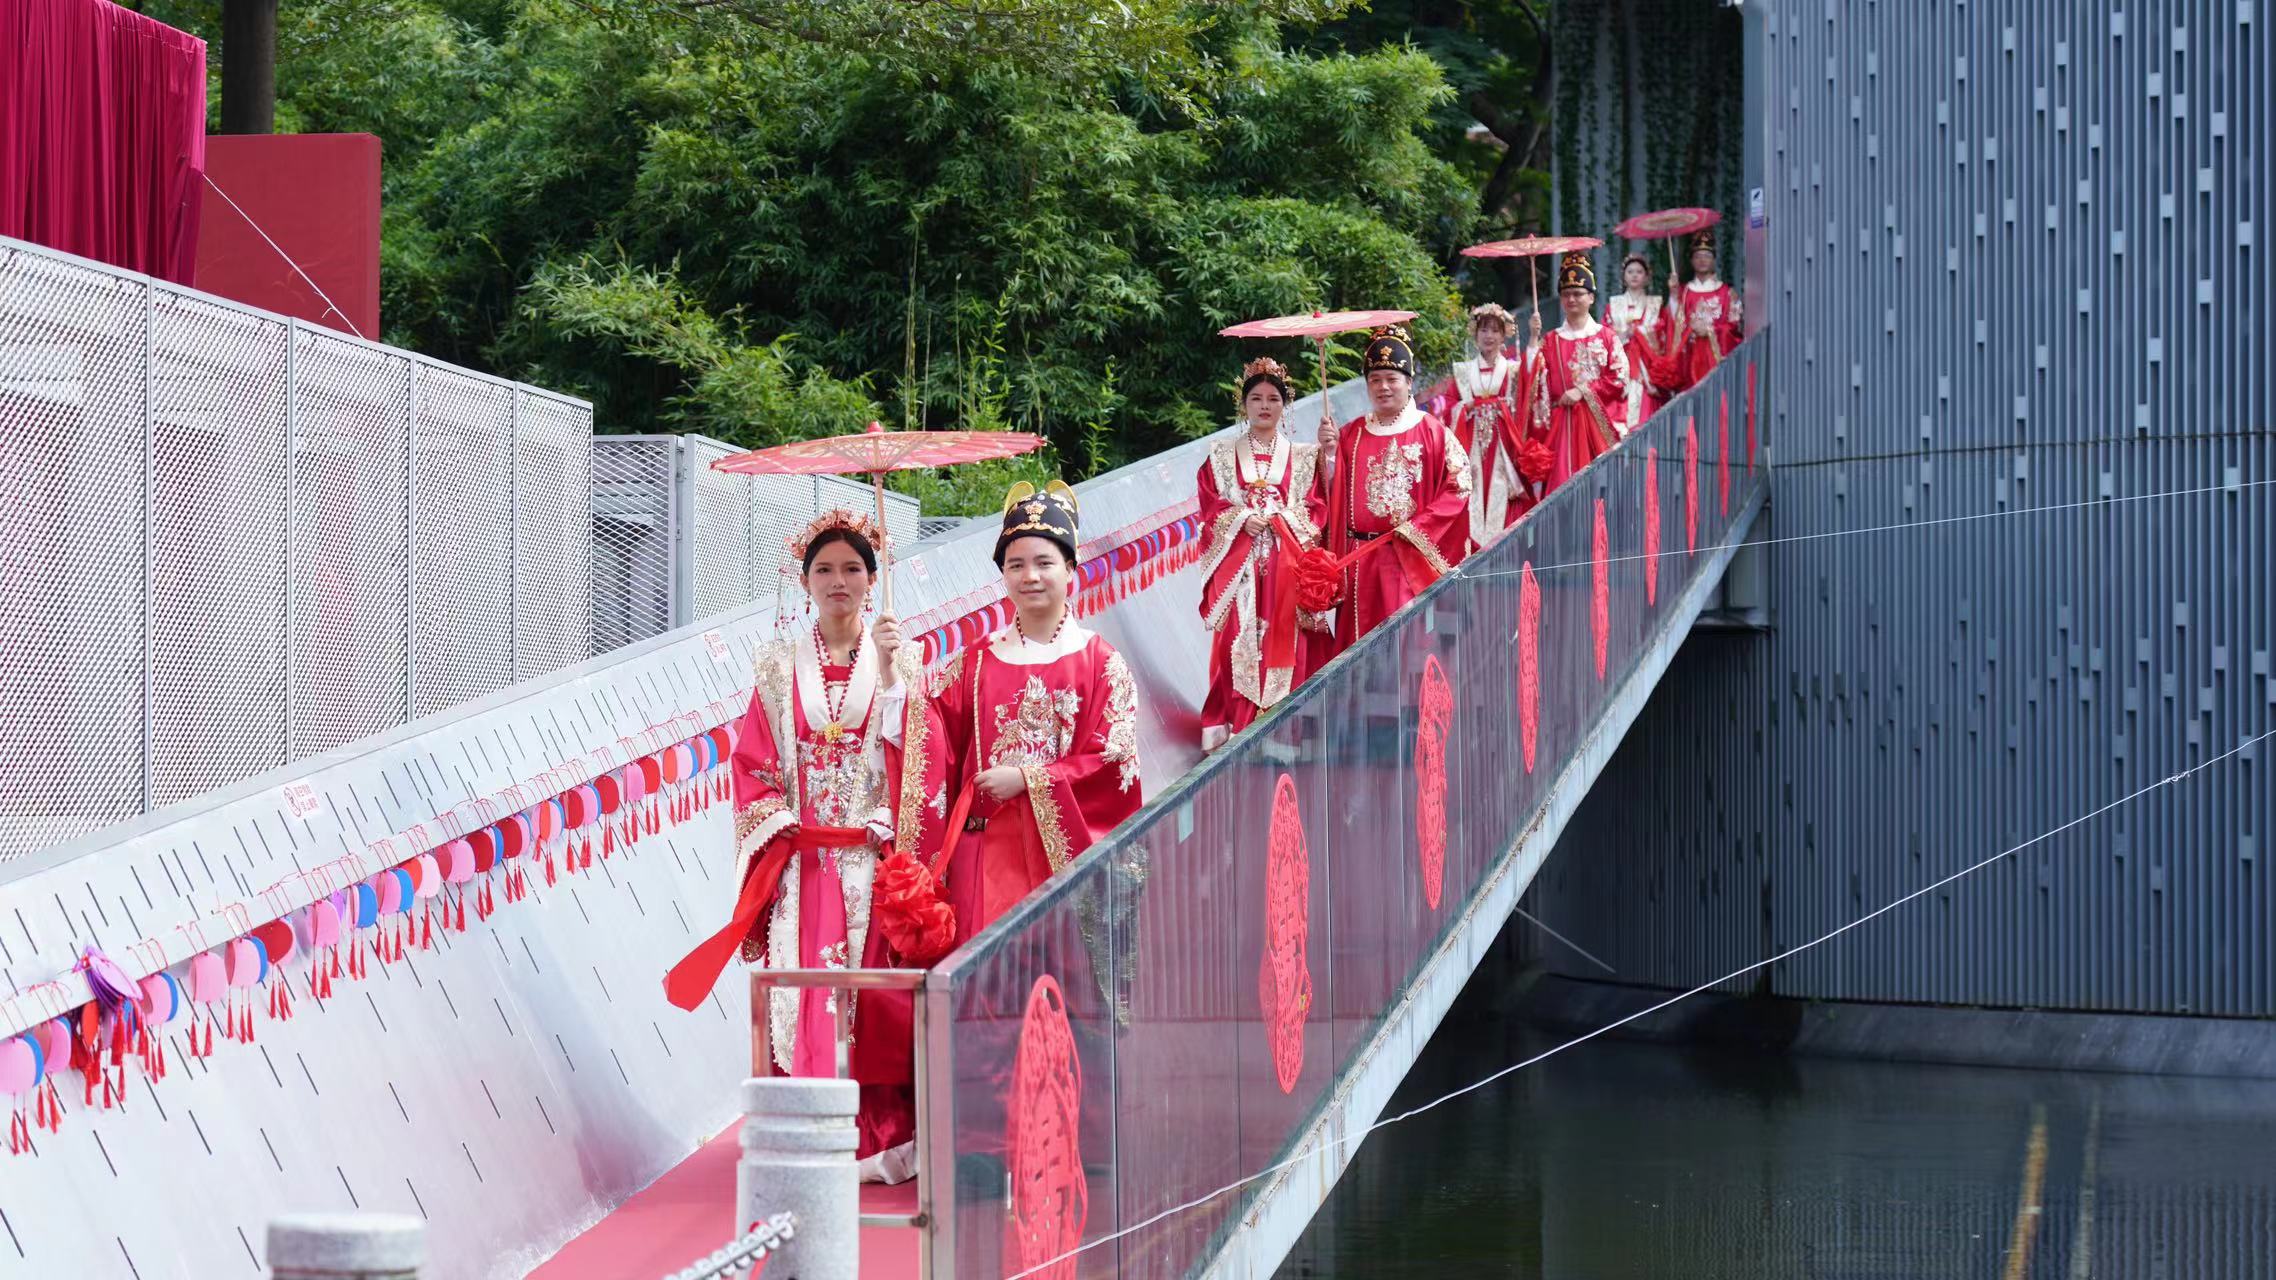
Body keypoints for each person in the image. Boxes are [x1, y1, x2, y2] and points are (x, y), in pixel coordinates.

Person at [662, 509, 937, 1184]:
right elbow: (753, 761)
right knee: (802, 984)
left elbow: (926, 755)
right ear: (805, 580)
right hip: (804, 860)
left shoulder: (902, 659)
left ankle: (877, 1136)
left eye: (852, 569)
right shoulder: (779, 666)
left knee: (868, 991)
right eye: (825, 570)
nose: (839, 581)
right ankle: (805, 1125)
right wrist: (776, 819)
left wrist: (894, 684)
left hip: (870, 854)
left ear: (872, 579)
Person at [874, 480, 1143, 944]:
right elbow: (927, 736)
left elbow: (1113, 761)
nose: (1030, 576)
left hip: (1058, 865)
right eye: (1015, 565)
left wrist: (1028, 779)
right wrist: (890, 669)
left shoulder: (1101, 663)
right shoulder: (976, 661)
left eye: (1044, 563)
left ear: (1070, 568)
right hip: (980, 859)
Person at [1196, 357, 1330, 752]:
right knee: (1239, 639)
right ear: (1244, 405)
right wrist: (1241, 519)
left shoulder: (1304, 456)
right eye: (1256, 398)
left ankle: (1283, 730)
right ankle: (1239, 725)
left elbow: (1316, 509)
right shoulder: (1221, 456)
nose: (1265, 406)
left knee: (1286, 638)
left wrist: (1279, 519)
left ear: (1284, 405)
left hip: (1285, 565)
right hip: (1241, 569)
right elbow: (1210, 508)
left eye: (1273, 398)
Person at [1315, 324, 1472, 655]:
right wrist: (1328, 454)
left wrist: (1417, 530)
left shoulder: (1433, 433)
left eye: (1391, 378)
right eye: (1375, 379)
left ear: (1409, 382)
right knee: (1360, 654)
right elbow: (1329, 493)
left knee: (1406, 648)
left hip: (1406, 557)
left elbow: (1459, 485)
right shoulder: (1350, 434)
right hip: (1360, 561)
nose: (1383, 387)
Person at [1525, 251, 1629, 494]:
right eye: (1566, 294)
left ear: (1591, 297)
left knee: (1601, 490)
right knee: (1562, 490)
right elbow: (1533, 380)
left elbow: (1620, 378)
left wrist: (1583, 391)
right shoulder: (1551, 340)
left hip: (1599, 428)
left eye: (1578, 293)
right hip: (1563, 428)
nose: (1571, 299)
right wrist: (1532, 338)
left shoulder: (1606, 337)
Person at [1447, 303, 1536, 541]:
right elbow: (1449, 408)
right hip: (1472, 444)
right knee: (1473, 489)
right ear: (1475, 334)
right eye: (1484, 330)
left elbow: (1528, 394)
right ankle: (1473, 547)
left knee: (1504, 490)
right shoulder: (1462, 372)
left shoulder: (1513, 370)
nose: (1489, 336)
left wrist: (1534, 338)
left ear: (1504, 335)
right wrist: (1464, 408)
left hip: (1504, 444)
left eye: (1495, 330)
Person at [1607, 253, 1681, 426]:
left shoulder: (1655, 304)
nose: (1634, 275)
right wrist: (1624, 335)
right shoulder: (1614, 304)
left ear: (1647, 277)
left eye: (1639, 272)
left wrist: (1674, 295)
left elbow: (1667, 330)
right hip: (1622, 369)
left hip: (1647, 373)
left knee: (1647, 418)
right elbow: (1606, 335)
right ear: (1624, 277)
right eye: (1630, 271)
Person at [1668, 228, 1742, 388]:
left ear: (1714, 259)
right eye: (1697, 256)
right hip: (1691, 357)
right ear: (1691, 260)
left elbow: (1734, 329)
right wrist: (1673, 296)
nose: (1702, 260)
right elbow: (1675, 325)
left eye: (1707, 256)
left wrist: (1709, 330)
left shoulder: (1727, 293)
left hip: (1715, 358)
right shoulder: (1685, 292)